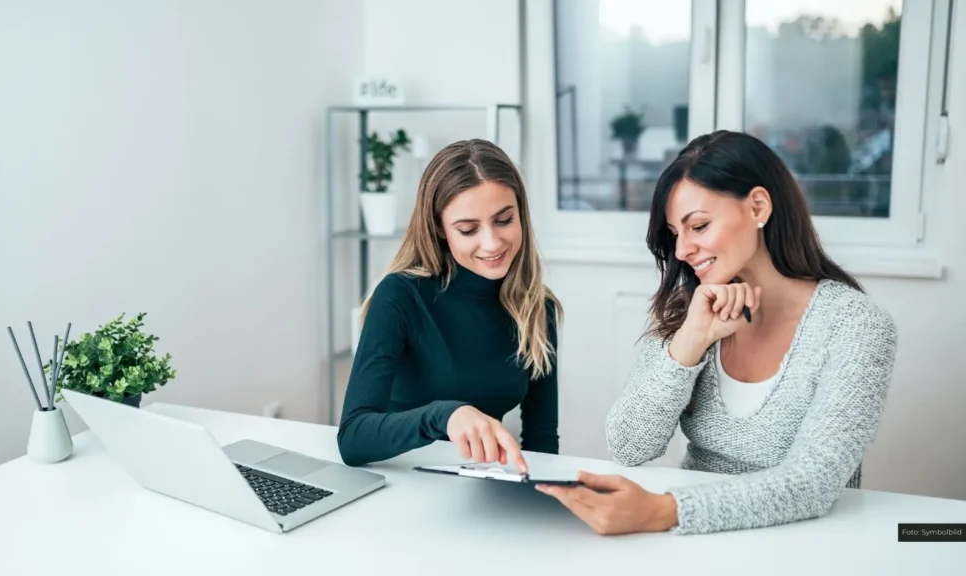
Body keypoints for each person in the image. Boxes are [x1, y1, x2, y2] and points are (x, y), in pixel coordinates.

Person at [536, 130, 898, 536]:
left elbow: (813, 482)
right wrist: (690, 341)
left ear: (758, 206)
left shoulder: (855, 324)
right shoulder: (692, 310)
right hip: (692, 543)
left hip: (800, 545)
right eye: (675, 233)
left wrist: (665, 511)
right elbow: (628, 445)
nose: (682, 250)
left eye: (699, 226)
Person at [336, 139, 563, 472]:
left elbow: (542, 439)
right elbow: (352, 439)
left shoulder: (535, 306)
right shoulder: (400, 296)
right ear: (440, 230)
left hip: (481, 489)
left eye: (504, 220)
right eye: (468, 229)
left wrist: (540, 500)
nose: (492, 242)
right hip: (397, 482)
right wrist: (445, 415)